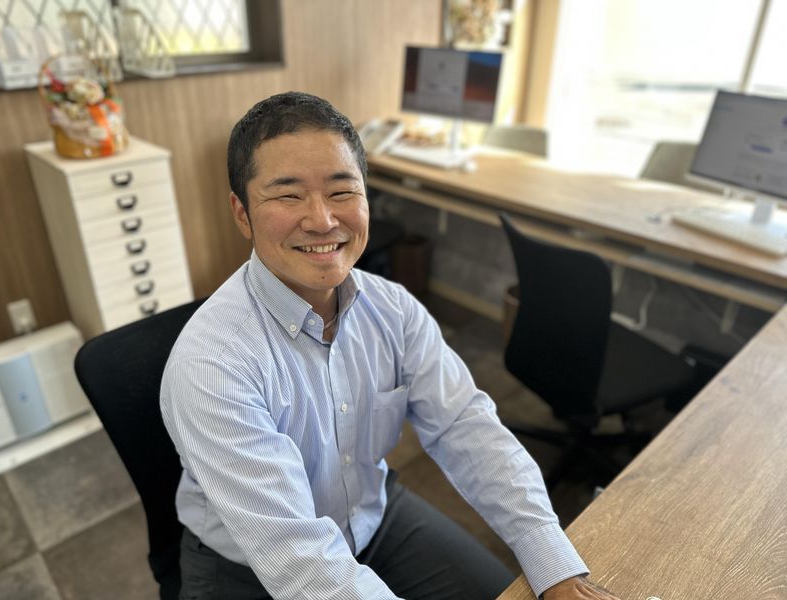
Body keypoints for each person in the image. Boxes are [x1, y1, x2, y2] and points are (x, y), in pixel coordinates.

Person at [161, 91, 621, 600]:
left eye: (342, 191)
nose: (322, 220)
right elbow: (300, 562)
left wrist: (553, 563)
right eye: (288, 196)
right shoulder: (213, 364)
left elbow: (464, 425)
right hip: (248, 563)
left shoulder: (393, 309)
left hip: (371, 515)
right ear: (242, 213)